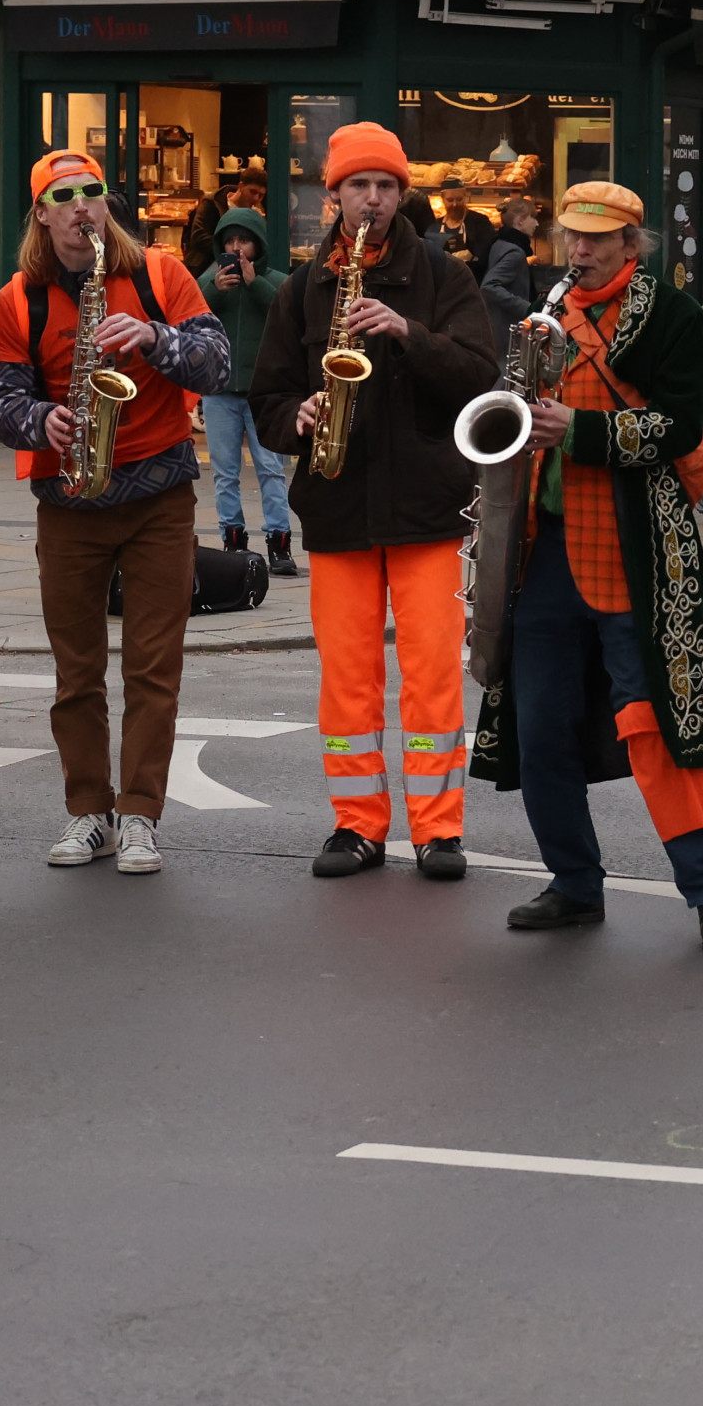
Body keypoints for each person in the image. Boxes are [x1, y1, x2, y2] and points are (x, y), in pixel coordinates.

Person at [468, 180, 703, 947]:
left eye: (597, 239)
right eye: (571, 237)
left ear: (633, 243)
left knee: (654, 722)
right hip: (547, 545)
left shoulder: (676, 316)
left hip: (635, 546)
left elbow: (680, 424)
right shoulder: (547, 310)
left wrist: (582, 432)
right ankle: (572, 884)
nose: (580, 252)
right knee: (542, 722)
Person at [252, 123, 500, 883]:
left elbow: (482, 376)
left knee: (431, 677)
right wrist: (294, 416)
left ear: (402, 194)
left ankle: (439, 830)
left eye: (385, 186)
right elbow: (265, 394)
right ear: (333, 195)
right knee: (349, 679)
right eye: (358, 185)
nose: (372, 199)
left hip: (427, 508)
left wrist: (408, 332)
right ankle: (357, 825)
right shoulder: (302, 288)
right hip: (339, 506)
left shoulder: (441, 275)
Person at [0, 148, 228, 877]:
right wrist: (40, 422)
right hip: (69, 500)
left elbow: (217, 361)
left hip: (159, 497)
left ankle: (142, 815)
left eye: (93, 192)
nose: (83, 206)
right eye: (66, 195)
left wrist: (154, 338)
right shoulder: (18, 298)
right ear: (42, 213)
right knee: (76, 671)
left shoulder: (158, 273)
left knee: (155, 668)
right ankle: (89, 811)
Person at [199, 204, 295, 574]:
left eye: (245, 241)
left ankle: (279, 544)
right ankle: (233, 541)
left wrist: (256, 284)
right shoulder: (211, 278)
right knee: (225, 470)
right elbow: (190, 314)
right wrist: (217, 290)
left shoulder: (276, 280)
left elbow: (285, 313)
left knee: (270, 467)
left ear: (258, 244)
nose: (238, 248)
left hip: (264, 391)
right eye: (231, 240)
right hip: (220, 389)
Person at [481, 194, 551, 326]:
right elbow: (489, 286)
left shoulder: (499, 243)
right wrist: (527, 308)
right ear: (520, 221)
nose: (536, 223)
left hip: (497, 323)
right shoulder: (515, 252)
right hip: (509, 328)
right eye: (533, 218)